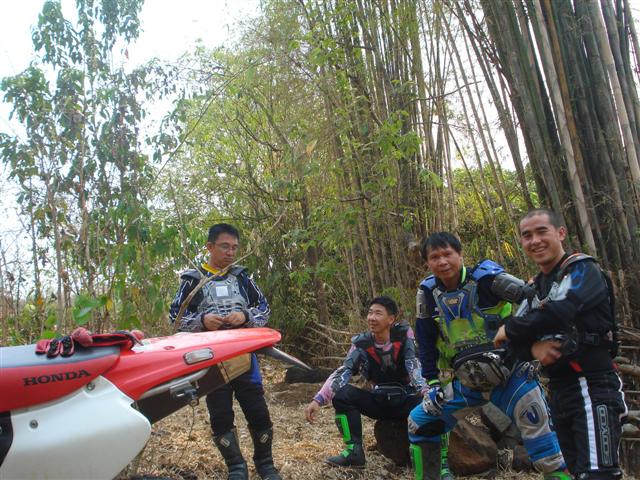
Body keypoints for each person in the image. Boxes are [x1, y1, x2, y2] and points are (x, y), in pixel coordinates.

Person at [408, 232, 567, 480]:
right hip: (466, 382)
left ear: (460, 254)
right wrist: (433, 383)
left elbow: (534, 299)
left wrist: (535, 343)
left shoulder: (488, 279)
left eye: (447, 254)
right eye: (434, 257)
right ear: (427, 262)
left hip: (512, 376)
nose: (442, 261)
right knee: (420, 423)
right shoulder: (427, 293)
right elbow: (425, 340)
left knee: (546, 448)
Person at [494, 209, 628, 479]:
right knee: (577, 472)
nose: (535, 241)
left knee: (598, 474)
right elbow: (511, 347)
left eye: (542, 231)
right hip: (559, 389)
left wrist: (509, 328)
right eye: (527, 235)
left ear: (561, 233)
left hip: (592, 387)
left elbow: (561, 311)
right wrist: (532, 348)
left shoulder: (582, 270)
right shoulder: (535, 288)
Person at [169, 223, 280, 480]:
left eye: (234, 248)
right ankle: (236, 468)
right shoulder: (193, 280)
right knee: (220, 415)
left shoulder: (242, 278)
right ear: (210, 247)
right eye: (224, 247)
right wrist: (202, 321)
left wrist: (245, 315)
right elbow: (175, 317)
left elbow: (264, 309)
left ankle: (266, 465)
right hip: (210, 360)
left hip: (244, 357)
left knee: (258, 411)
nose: (230, 252)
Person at [304, 296, 426, 469]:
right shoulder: (361, 343)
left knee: (435, 403)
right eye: (370, 313)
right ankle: (354, 452)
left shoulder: (404, 336)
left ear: (391, 319)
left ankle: (438, 461)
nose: (372, 318)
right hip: (378, 402)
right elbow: (344, 371)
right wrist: (318, 399)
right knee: (343, 395)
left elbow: (414, 366)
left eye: (378, 313)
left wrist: (426, 391)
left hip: (406, 402)